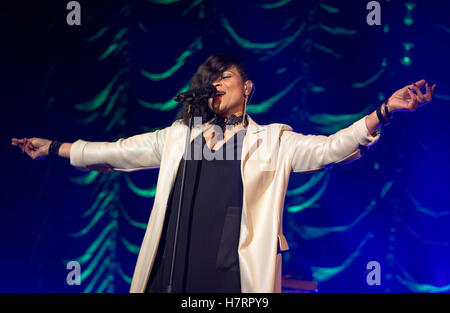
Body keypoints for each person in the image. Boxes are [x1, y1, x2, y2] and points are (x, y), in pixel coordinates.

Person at [11, 54, 436, 293]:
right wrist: (52, 148)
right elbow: (117, 153)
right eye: (210, 78)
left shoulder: (274, 139)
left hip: (232, 274)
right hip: (171, 268)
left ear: (247, 88)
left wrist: (381, 113)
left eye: (225, 76)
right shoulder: (179, 135)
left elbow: (330, 149)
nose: (216, 83)